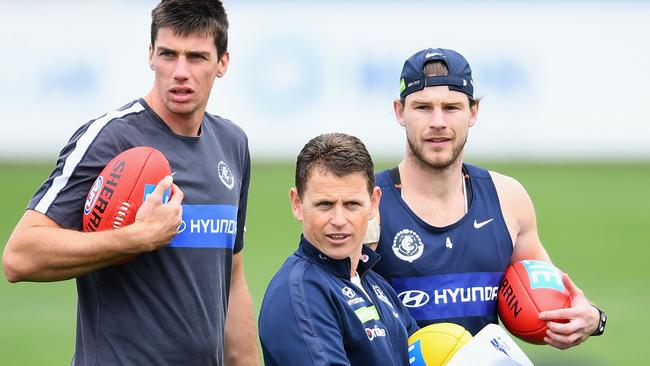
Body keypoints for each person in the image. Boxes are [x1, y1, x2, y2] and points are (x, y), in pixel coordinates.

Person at [2, 1, 259, 365]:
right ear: (151, 55)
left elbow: (233, 281)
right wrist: (136, 239)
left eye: (197, 57)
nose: (180, 71)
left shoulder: (232, 144)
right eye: (169, 54)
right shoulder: (110, 139)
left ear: (223, 63)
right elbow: (20, 256)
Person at [364, 48, 606, 350]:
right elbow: (326, 305)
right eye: (423, 107)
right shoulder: (365, 204)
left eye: (451, 108)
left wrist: (593, 319)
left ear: (473, 112)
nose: (438, 121)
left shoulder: (507, 198)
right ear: (400, 112)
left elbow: (553, 302)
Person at [258, 133, 419, 366]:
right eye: (325, 204)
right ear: (297, 203)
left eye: (352, 204)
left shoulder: (375, 284)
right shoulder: (300, 292)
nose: (339, 220)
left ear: (373, 203)